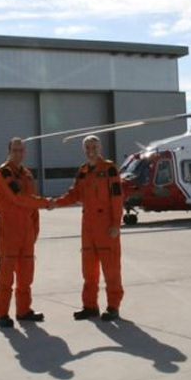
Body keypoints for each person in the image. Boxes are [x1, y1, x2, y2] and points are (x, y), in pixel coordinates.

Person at [52, 135, 124, 321]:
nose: (91, 150)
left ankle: (113, 307)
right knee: (88, 269)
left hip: (106, 226)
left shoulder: (109, 169)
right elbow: (74, 193)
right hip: (88, 226)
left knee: (111, 268)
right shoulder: (83, 171)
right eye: (87, 147)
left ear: (100, 148)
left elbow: (117, 198)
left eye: (94, 146)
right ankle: (90, 306)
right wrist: (55, 203)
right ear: (84, 149)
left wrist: (116, 224)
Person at [0, 137, 50, 329]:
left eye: (21, 150)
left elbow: (31, 205)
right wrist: (46, 202)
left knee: (26, 274)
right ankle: (1, 313)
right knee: (6, 274)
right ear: (9, 151)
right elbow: (19, 198)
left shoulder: (26, 174)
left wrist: (34, 230)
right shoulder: (4, 172)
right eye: (15, 150)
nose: (18, 153)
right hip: (8, 230)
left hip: (26, 231)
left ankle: (24, 310)